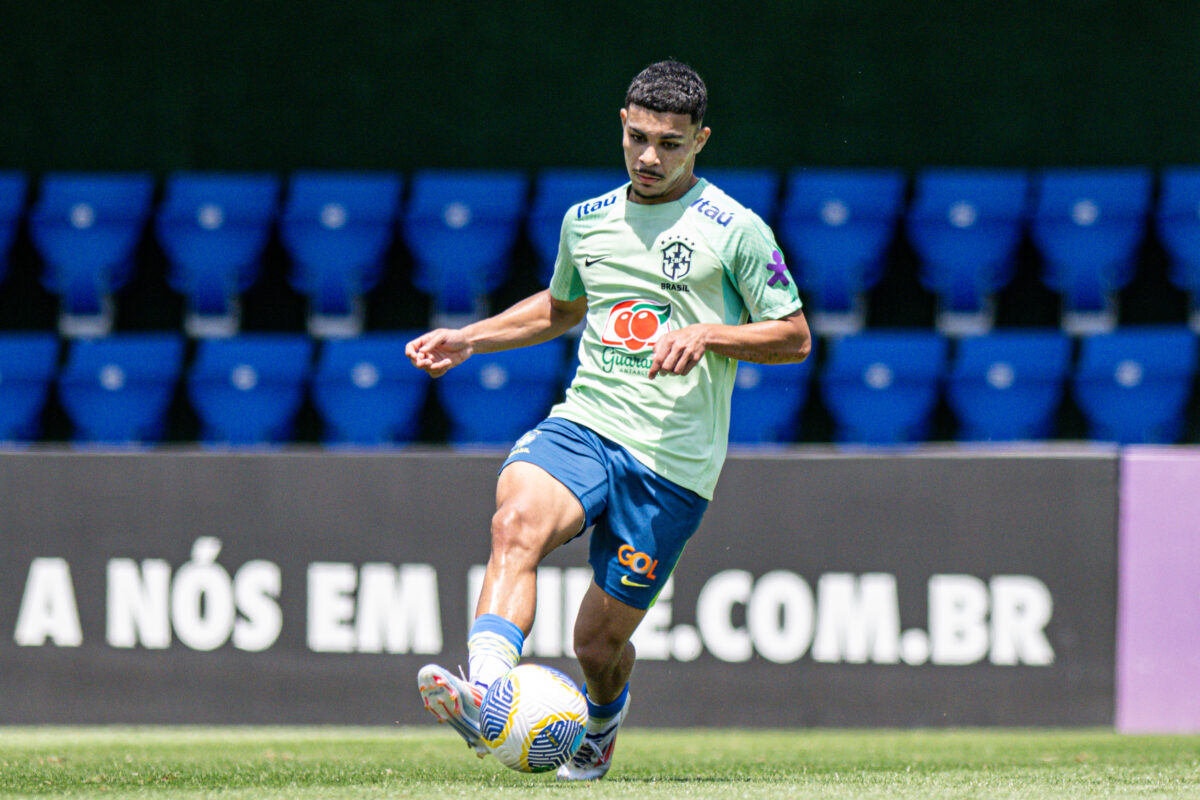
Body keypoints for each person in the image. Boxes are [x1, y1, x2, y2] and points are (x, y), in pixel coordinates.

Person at [409, 60, 810, 780]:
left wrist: (711, 334)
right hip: (588, 424)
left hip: (672, 466)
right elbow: (561, 309)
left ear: (701, 141)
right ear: (621, 129)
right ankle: (492, 692)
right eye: (637, 138)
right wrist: (471, 336)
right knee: (514, 523)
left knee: (594, 645)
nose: (649, 157)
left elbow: (794, 336)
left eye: (669, 143)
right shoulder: (586, 221)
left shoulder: (737, 230)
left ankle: (601, 723)